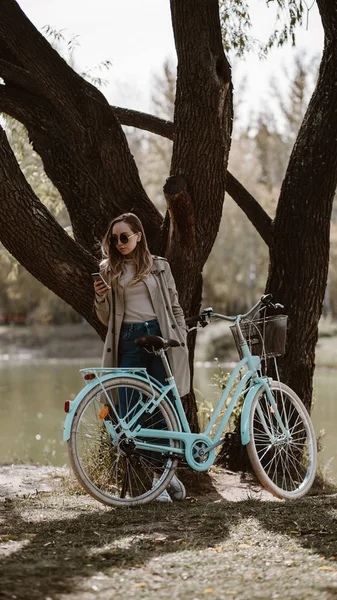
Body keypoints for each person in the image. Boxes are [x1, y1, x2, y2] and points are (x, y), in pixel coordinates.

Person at [94, 212, 190, 502]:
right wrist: (99, 297)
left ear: (138, 235)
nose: (120, 243)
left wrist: (181, 336)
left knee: (164, 408)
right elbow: (105, 317)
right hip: (128, 340)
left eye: (125, 237)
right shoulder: (107, 269)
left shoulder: (159, 267)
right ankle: (147, 480)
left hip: (160, 339)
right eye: (115, 239)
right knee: (129, 409)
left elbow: (175, 306)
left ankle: (166, 473)